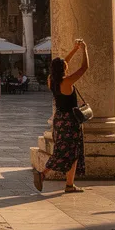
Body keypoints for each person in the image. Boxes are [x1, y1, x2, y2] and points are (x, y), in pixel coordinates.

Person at [34, 39, 88, 194]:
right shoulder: (67, 81)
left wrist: (74, 49)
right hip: (70, 121)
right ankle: (43, 174)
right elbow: (84, 68)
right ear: (64, 68)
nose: (67, 64)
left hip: (59, 119)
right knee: (71, 152)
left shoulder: (52, 80)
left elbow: (63, 63)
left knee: (66, 151)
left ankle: (69, 185)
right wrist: (84, 50)